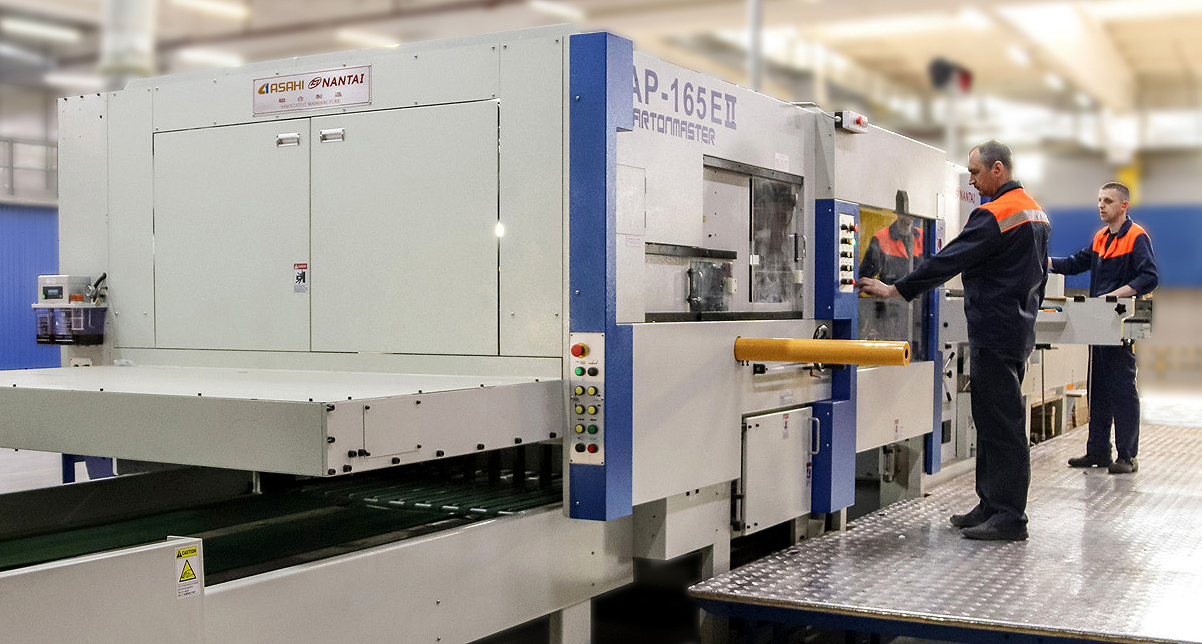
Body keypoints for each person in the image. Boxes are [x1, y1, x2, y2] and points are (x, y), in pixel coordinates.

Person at [856, 140, 1049, 541]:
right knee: (992, 421)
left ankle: (1010, 515)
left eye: (976, 172)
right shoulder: (1035, 212)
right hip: (1016, 330)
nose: (972, 181)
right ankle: (990, 504)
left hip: (994, 332)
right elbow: (1041, 276)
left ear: (998, 169)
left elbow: (949, 260)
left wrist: (897, 290)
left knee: (1003, 426)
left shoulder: (995, 214)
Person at [1050, 182, 1157, 474]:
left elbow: (1150, 276)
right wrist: (1044, 261)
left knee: (1122, 390)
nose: (1101, 205)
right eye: (1099, 200)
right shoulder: (1101, 237)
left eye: (1108, 201)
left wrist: (1117, 295)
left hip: (1118, 324)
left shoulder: (1136, 237)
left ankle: (1127, 456)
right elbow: (1076, 263)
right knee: (1097, 388)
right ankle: (1098, 451)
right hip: (1097, 324)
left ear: (1124, 205)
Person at [859, 190, 924, 285]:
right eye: (905, 213)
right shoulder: (881, 238)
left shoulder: (923, 237)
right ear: (897, 213)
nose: (908, 217)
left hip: (919, 294)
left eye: (911, 213)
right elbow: (864, 277)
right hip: (890, 293)